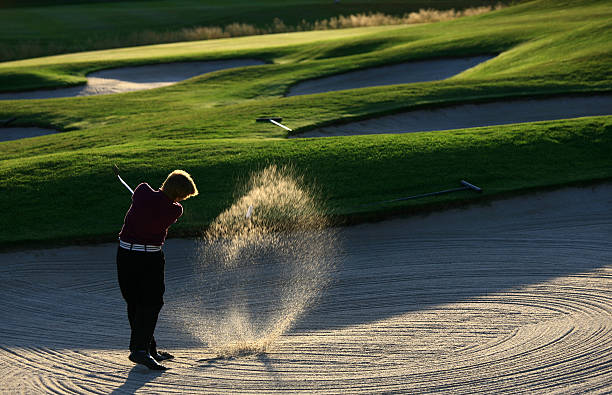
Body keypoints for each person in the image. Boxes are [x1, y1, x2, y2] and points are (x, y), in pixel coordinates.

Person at [116, 170, 198, 370]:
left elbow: (144, 195)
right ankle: (140, 350)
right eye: (184, 197)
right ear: (179, 196)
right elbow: (170, 204)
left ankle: (148, 350)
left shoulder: (142, 191)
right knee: (152, 302)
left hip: (125, 254)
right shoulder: (175, 210)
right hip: (150, 258)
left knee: (135, 303)